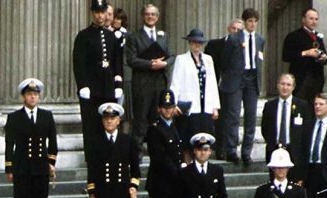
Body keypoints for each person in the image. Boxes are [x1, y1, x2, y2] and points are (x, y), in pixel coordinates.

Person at [4, 78, 58, 198]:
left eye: (35, 94)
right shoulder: (14, 117)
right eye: (29, 94)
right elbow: (9, 144)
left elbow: (53, 142)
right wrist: (9, 168)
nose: (33, 97)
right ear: (23, 97)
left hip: (40, 168)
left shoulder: (46, 116)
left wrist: (51, 162)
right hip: (22, 168)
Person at [73, 0, 124, 159]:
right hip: (91, 88)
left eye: (102, 12)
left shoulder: (111, 36)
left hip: (108, 87)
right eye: (97, 12)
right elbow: (79, 62)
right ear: (92, 13)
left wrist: (118, 84)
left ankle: (108, 158)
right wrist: (83, 85)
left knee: (109, 123)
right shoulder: (83, 36)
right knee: (91, 126)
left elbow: (117, 62)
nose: (100, 16)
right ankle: (92, 160)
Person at [219, 8, 265, 165]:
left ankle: (246, 152)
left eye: (255, 21)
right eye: (250, 21)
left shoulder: (260, 39)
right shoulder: (234, 38)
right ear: (245, 22)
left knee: (251, 116)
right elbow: (224, 60)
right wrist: (230, 75)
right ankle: (231, 150)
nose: (252, 24)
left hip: (252, 78)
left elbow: (259, 59)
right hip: (237, 78)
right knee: (233, 115)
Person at [125, 4, 173, 146]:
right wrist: (150, 64)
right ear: (142, 16)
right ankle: (136, 154)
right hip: (142, 84)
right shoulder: (134, 36)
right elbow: (131, 59)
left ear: (157, 17)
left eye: (153, 14)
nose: (150, 17)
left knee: (158, 120)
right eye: (147, 14)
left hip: (160, 83)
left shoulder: (163, 36)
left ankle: (156, 152)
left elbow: (171, 56)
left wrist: (164, 63)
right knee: (140, 121)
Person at [170, 29, 220, 152]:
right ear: (190, 43)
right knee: (188, 143)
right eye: (194, 42)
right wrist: (174, 104)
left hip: (205, 107)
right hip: (189, 108)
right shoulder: (181, 59)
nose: (197, 45)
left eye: (199, 42)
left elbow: (213, 83)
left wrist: (215, 106)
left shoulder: (208, 59)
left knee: (204, 142)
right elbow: (176, 82)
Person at [206, 19, 243, 160]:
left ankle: (229, 149)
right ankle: (218, 148)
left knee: (231, 117)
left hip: (234, 87)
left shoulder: (244, 46)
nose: (236, 32)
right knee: (218, 118)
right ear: (228, 29)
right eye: (234, 28)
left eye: (239, 30)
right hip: (216, 85)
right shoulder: (214, 44)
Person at [261, 74, 312, 164]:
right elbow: (265, 128)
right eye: (283, 84)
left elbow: (307, 129)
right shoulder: (270, 106)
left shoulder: (302, 106)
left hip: (295, 154)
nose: (285, 87)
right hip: (274, 152)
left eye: (288, 85)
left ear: (293, 87)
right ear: (278, 85)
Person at [283, 8, 327, 104]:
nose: (314, 22)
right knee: (299, 106)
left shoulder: (318, 37)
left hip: (317, 79)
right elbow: (286, 56)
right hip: (301, 79)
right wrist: (305, 53)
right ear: (303, 19)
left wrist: (324, 57)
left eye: (316, 19)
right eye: (311, 18)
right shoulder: (293, 36)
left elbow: (325, 54)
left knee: (314, 107)